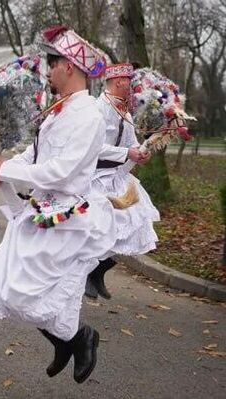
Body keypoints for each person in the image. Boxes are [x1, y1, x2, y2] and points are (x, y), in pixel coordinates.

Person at [0, 26, 116, 383]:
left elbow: (64, 170)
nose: (48, 70)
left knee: (30, 293)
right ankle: (68, 339)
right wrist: (6, 171)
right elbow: (35, 154)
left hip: (68, 217)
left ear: (69, 66)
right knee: (2, 286)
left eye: (52, 63)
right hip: (42, 211)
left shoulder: (88, 115)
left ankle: (78, 337)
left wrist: (7, 168)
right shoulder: (57, 110)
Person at [85, 63, 159, 299]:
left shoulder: (125, 112)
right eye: (130, 81)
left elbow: (131, 143)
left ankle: (97, 272)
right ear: (118, 82)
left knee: (136, 225)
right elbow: (93, 147)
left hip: (117, 178)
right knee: (101, 229)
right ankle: (83, 274)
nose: (133, 86)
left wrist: (141, 151)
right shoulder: (97, 109)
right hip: (94, 179)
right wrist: (127, 154)